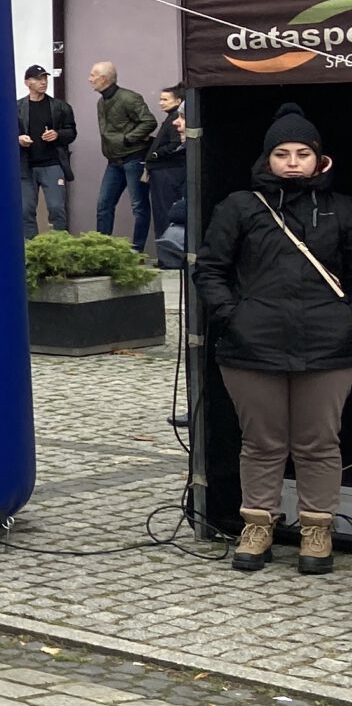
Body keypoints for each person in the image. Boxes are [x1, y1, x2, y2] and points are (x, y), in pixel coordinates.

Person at [196, 104, 349, 576]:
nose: (293, 162)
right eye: (282, 154)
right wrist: (234, 316)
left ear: (320, 158)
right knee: (262, 442)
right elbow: (210, 269)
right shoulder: (240, 207)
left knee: (318, 442)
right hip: (252, 346)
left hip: (328, 346)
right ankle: (257, 524)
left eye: (303, 153)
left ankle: (317, 528)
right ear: (267, 159)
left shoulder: (342, 208)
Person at [91, 62, 157, 249]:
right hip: (114, 161)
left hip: (134, 158)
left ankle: (137, 250)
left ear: (104, 79)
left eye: (93, 75)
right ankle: (101, 250)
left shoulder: (129, 98)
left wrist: (128, 139)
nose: (90, 79)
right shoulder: (101, 102)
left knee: (139, 206)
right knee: (104, 205)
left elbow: (149, 121)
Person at [19, 64, 77, 238]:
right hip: (26, 166)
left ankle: (59, 247)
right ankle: (31, 247)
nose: (43, 82)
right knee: (25, 210)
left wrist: (57, 134)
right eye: (38, 79)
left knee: (56, 208)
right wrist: (19, 139)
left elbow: (71, 132)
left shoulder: (59, 106)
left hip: (52, 163)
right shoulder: (17, 107)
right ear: (27, 82)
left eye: (45, 78)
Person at [148, 84, 189, 267]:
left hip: (167, 171)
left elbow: (174, 144)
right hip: (164, 170)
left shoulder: (174, 119)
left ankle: (168, 257)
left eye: (165, 99)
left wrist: (156, 154)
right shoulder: (171, 119)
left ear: (178, 101)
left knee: (165, 213)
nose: (161, 103)